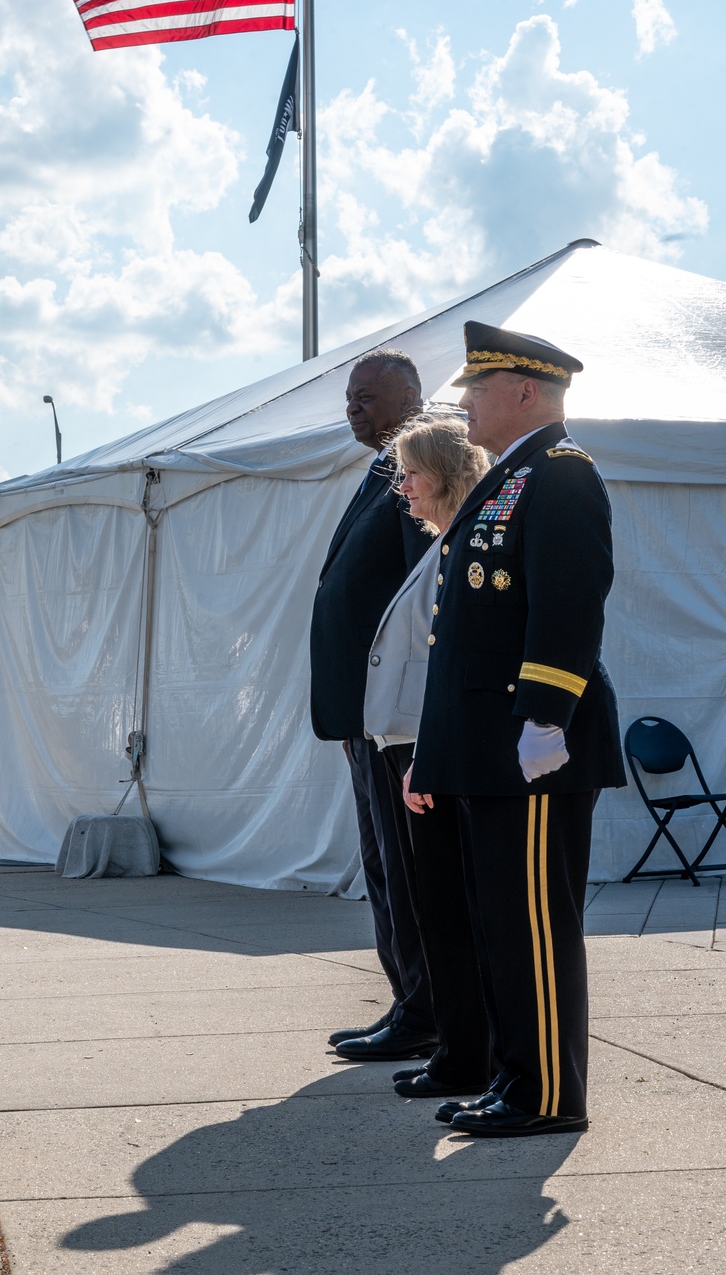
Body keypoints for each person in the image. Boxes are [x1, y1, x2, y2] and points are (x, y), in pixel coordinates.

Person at [407, 320, 626, 1138]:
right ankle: (516, 1077)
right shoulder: (512, 476)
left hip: (532, 745)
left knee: (532, 922)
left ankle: (546, 1094)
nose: (463, 401)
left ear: (523, 391)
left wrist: (545, 717)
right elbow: (459, 634)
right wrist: (436, 752)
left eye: (476, 386)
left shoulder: (561, 475)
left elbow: (569, 606)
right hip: (487, 745)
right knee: (501, 919)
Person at [310, 350, 437, 1062]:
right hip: (364, 713)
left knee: (406, 864)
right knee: (383, 862)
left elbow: (423, 588)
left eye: (367, 396)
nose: (353, 407)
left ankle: (425, 1009)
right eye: (350, 397)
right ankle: (408, 1000)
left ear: (409, 397)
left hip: (394, 711)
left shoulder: (416, 467)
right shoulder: (383, 467)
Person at [362, 414, 494, 1100]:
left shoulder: (461, 545)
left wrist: (429, 751)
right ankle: (460, 1050)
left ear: (443, 475)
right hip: (414, 741)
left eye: (411, 474)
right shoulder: (443, 542)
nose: (403, 489)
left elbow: (453, 661)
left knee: (447, 908)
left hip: (428, 746)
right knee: (433, 904)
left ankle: (465, 1052)